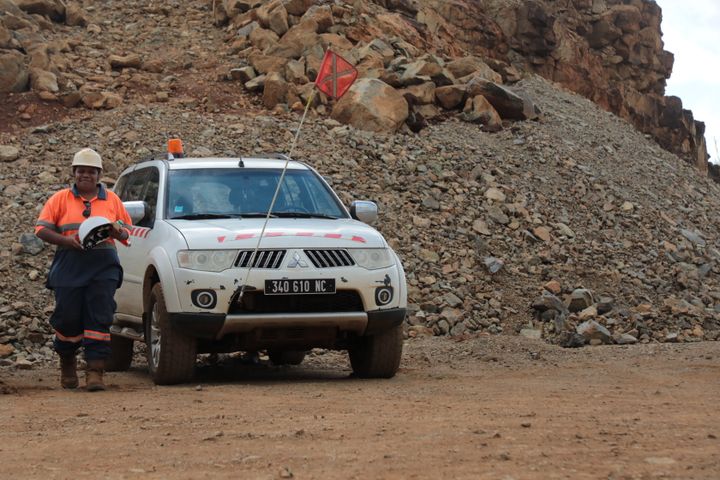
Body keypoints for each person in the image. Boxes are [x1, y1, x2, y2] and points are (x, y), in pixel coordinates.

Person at [35, 148, 132, 392]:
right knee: (67, 316)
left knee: (100, 314)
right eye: (81, 171)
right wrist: (67, 241)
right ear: (74, 173)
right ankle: (67, 362)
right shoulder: (59, 199)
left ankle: (95, 371)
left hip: (103, 265)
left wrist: (115, 231)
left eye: (91, 171)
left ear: (99, 174)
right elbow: (41, 230)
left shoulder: (112, 200)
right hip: (70, 262)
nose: (85, 175)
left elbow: (126, 231)